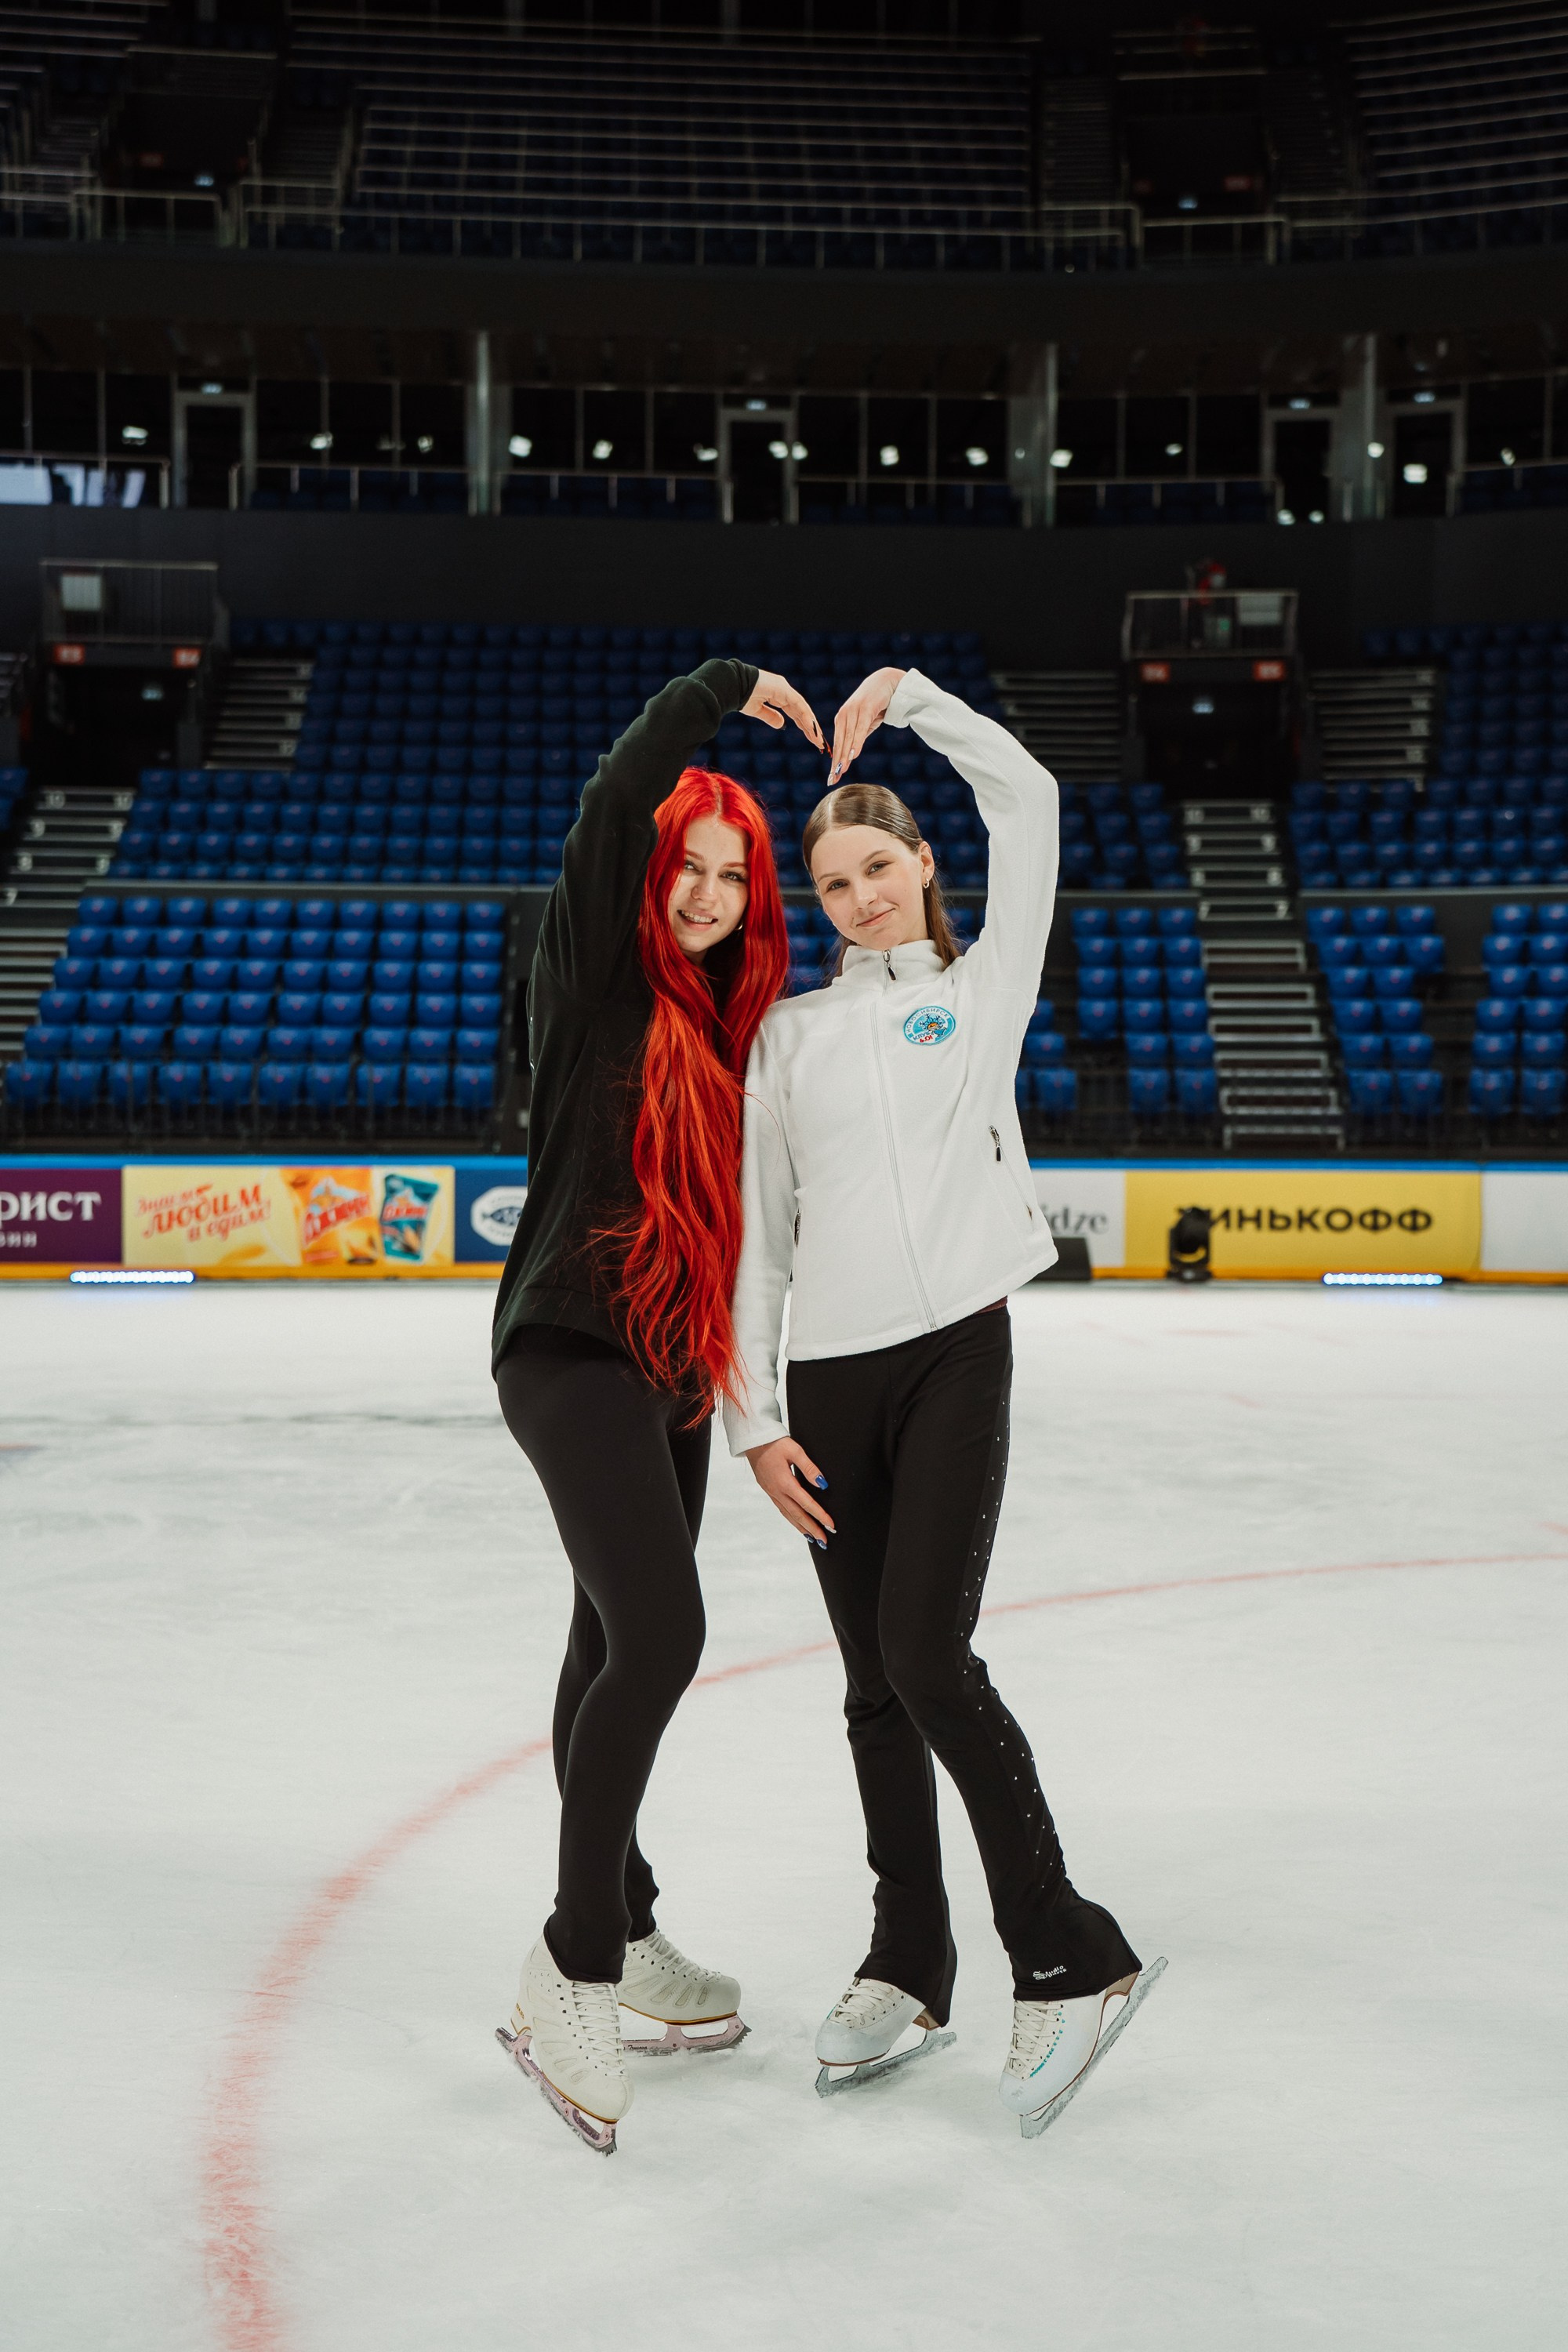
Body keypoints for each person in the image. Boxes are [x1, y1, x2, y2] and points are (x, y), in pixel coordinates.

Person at [724, 662, 1160, 2136]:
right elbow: (757, 1240)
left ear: (922, 865)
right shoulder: (783, 1038)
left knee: (925, 1651)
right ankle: (910, 1959)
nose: (855, 895)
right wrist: (754, 1418)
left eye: (878, 865)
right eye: (832, 879)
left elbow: (1028, 800)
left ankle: (1069, 1950)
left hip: (957, 1349)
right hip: (824, 1387)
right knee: (869, 1688)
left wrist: (913, 699)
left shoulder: (982, 996)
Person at [492, 656, 822, 2154]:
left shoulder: (732, 1023)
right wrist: (714, 690)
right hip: (570, 1344)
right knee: (666, 1634)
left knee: (602, 1643)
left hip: (673, 1368)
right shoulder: (594, 974)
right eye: (686, 864)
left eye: (730, 873)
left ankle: (622, 1926)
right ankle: (566, 1967)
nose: (701, 890)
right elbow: (614, 797)